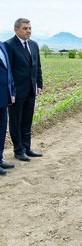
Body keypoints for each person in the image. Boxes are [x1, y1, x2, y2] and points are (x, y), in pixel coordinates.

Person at [4, 18, 43, 162]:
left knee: (27, 120)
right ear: (16, 29)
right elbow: (8, 71)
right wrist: (11, 91)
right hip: (16, 92)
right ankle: (18, 150)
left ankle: (27, 147)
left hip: (31, 90)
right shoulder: (9, 45)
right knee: (15, 121)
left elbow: (37, 66)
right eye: (25, 28)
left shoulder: (34, 45)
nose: (29, 31)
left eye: (30, 28)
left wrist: (39, 84)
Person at [0, 40, 16, 175]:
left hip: (3, 97)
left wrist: (12, 92)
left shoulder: (2, 45)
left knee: (1, 131)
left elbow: (8, 71)